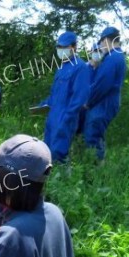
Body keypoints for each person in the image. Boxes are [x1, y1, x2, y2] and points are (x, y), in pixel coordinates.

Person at [38, 31, 90, 163]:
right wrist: (43, 105)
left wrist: (67, 118)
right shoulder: (61, 68)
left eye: (64, 47)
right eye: (59, 47)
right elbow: (54, 94)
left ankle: (63, 180)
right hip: (53, 115)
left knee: (58, 153)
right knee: (46, 151)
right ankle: (48, 180)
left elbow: (79, 98)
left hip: (66, 118)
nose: (61, 50)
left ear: (74, 47)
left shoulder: (80, 67)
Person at [83, 27, 127, 163]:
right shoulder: (116, 57)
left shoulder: (113, 58)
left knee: (93, 135)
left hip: (105, 102)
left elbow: (101, 85)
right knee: (95, 133)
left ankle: (95, 171)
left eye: (101, 43)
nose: (101, 47)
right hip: (107, 101)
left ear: (106, 40)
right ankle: (97, 167)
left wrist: (88, 102)